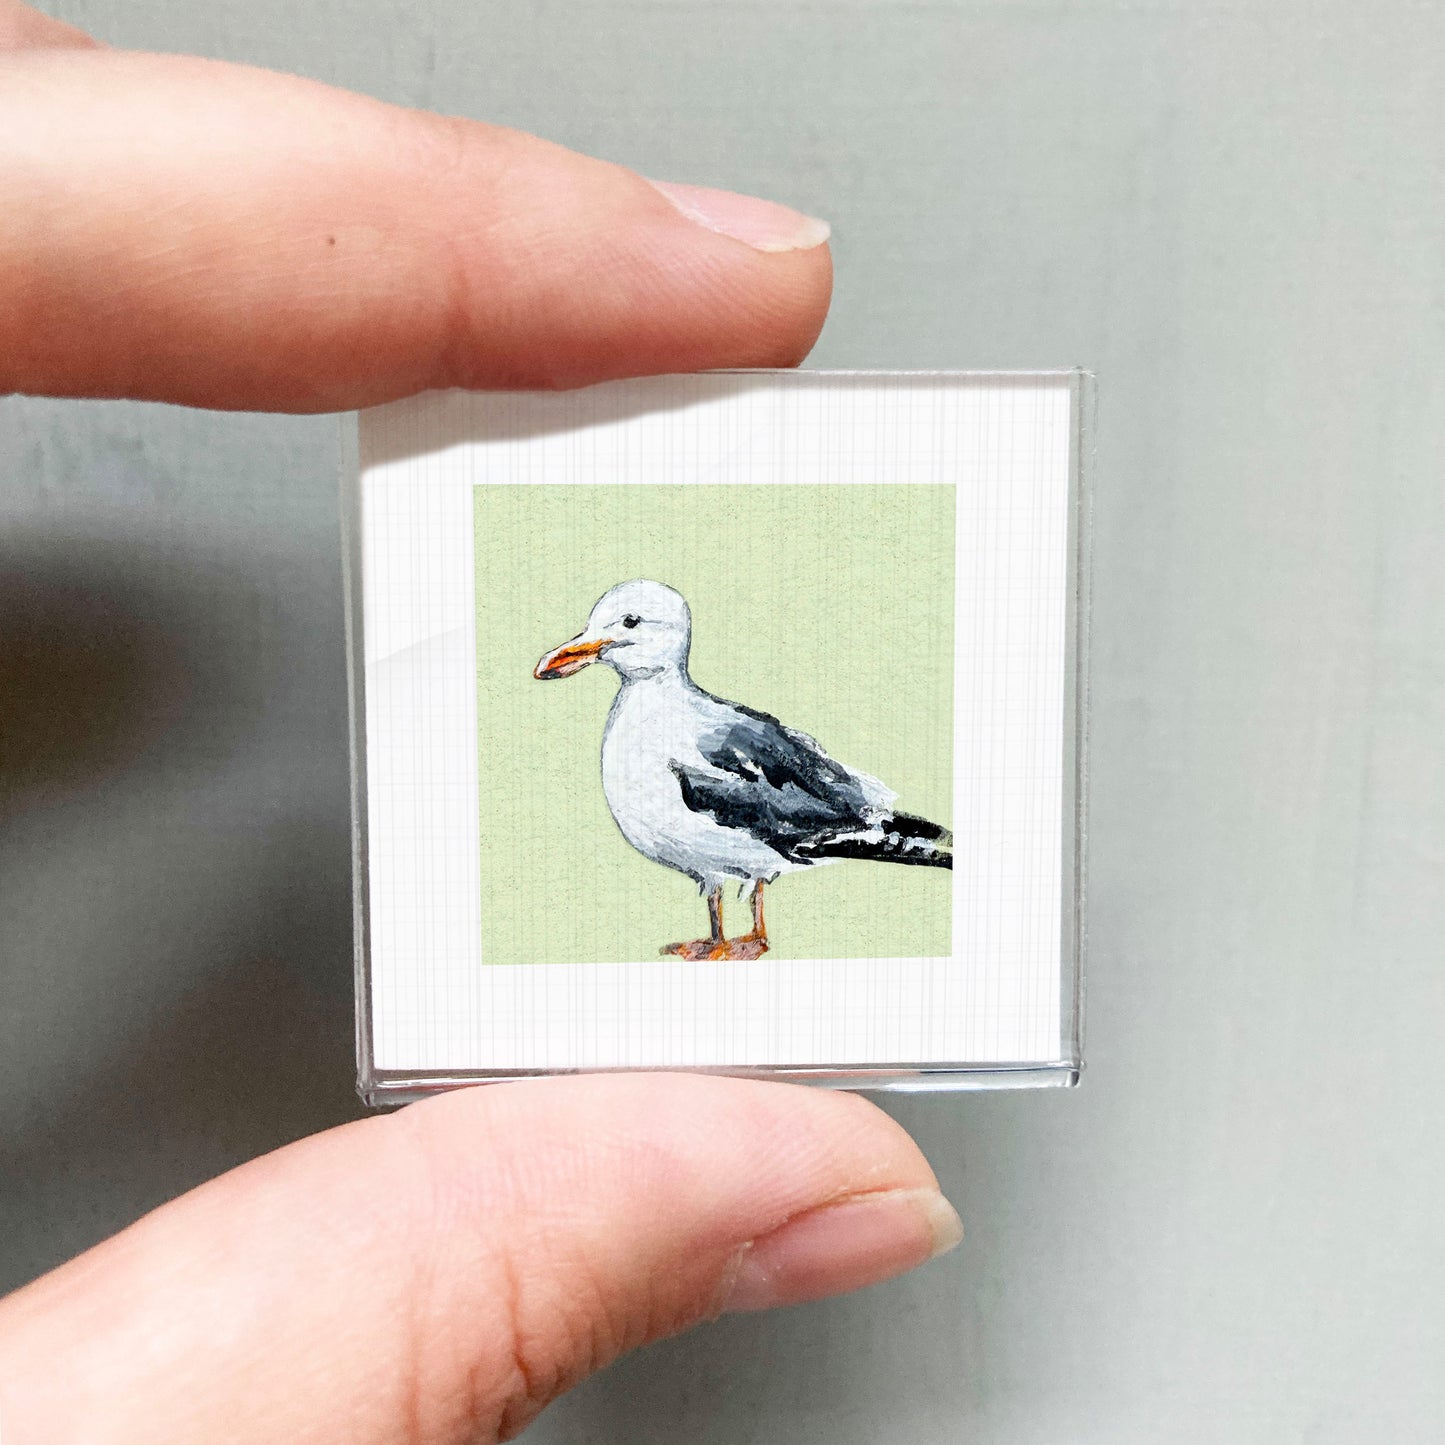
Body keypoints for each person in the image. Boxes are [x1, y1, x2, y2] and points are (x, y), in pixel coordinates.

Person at [0, 5, 962, 1440]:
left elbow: (752, 797)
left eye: (618, 631)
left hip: (777, 811)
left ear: (661, 638)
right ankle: (726, 931)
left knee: (726, 835)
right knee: (693, 845)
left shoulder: (691, 732)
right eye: (602, 631)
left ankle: (742, 931)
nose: (597, 645)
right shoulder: (648, 717)